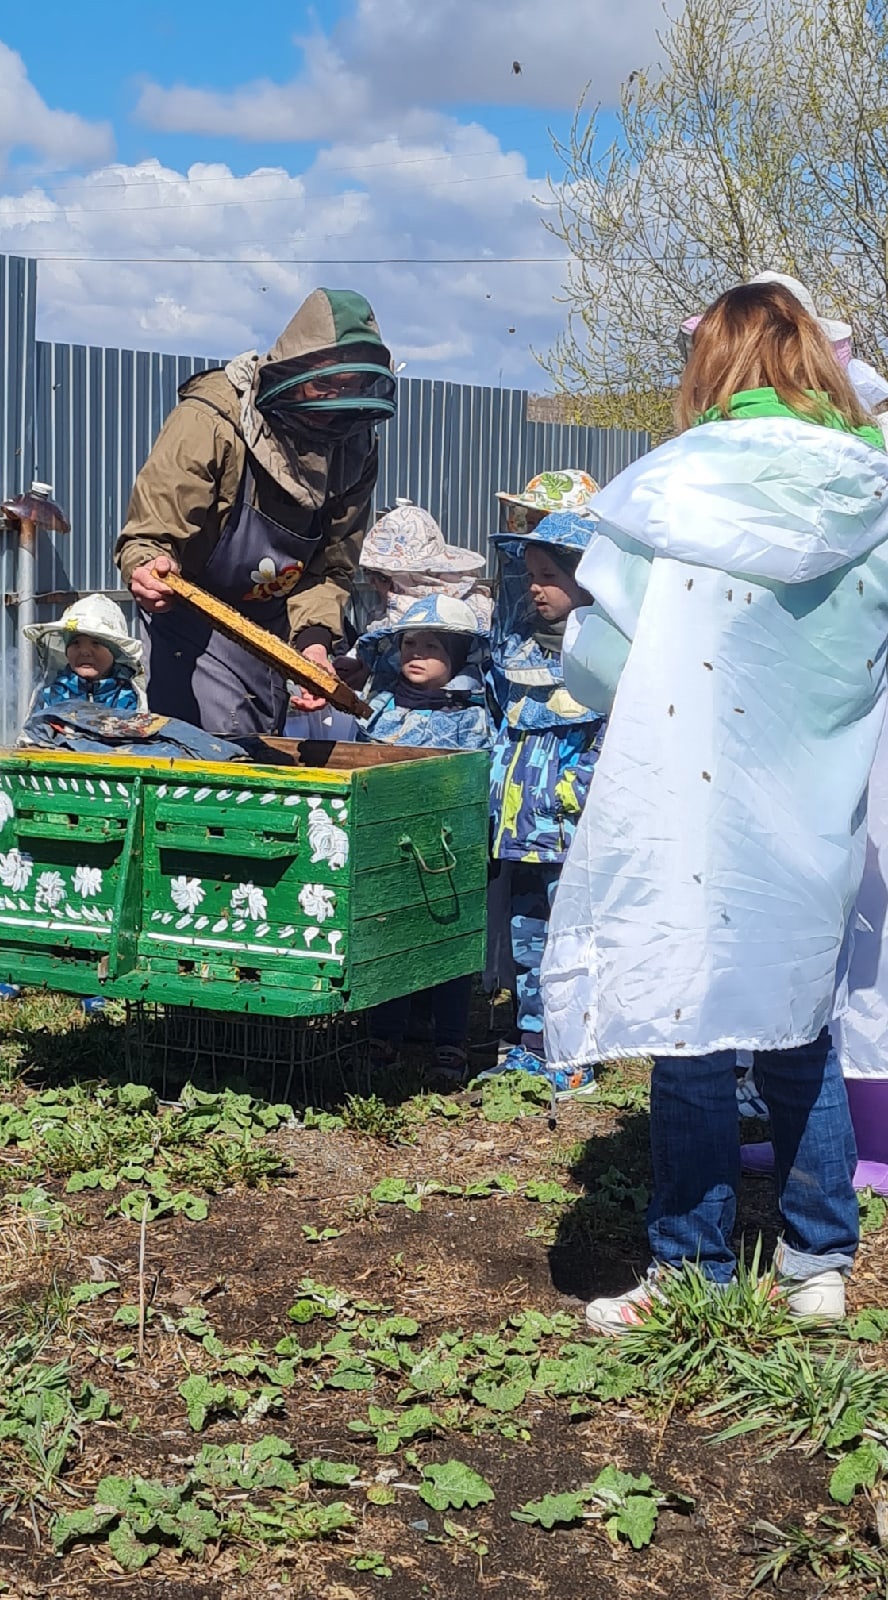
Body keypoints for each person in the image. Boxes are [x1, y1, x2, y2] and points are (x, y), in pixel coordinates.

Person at [540, 280, 888, 1332]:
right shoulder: (873, 488)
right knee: (800, 1022)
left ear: (714, 366)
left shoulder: (666, 490)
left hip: (691, 804)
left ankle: (692, 1262)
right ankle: (817, 1261)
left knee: (689, 1026)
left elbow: (602, 662)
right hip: (814, 807)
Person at [115, 289, 396, 737]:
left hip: (276, 628)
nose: (335, 400)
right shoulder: (212, 419)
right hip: (194, 620)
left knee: (269, 743)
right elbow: (151, 533)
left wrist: (315, 645)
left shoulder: (355, 446)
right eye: (325, 383)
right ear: (295, 367)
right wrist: (148, 568)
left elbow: (331, 567)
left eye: (351, 387)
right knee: (213, 747)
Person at [486, 509, 603, 1098]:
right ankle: (534, 1043)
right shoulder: (514, 657)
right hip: (523, 832)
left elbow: (613, 747)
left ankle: (577, 1051)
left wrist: (569, 793)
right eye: (529, 573)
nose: (535, 586)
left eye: (550, 573)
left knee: (575, 944)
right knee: (529, 941)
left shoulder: (607, 663)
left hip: (575, 837)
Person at [356, 595, 490, 1080]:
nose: (416, 653)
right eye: (409, 643)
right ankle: (383, 1034)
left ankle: (450, 1042)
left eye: (432, 646)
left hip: (448, 847)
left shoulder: (472, 714)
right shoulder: (379, 706)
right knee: (388, 936)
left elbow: (479, 780)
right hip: (387, 844)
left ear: (456, 658)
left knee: (448, 941)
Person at [358, 500, 494, 630]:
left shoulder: (409, 619)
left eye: (380, 577)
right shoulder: (380, 614)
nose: (372, 583)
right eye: (367, 572)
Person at [24, 596, 145, 714]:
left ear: (115, 651)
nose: (85, 652)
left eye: (96, 643)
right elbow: (32, 732)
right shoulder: (51, 695)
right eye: (75, 643)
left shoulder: (130, 695)